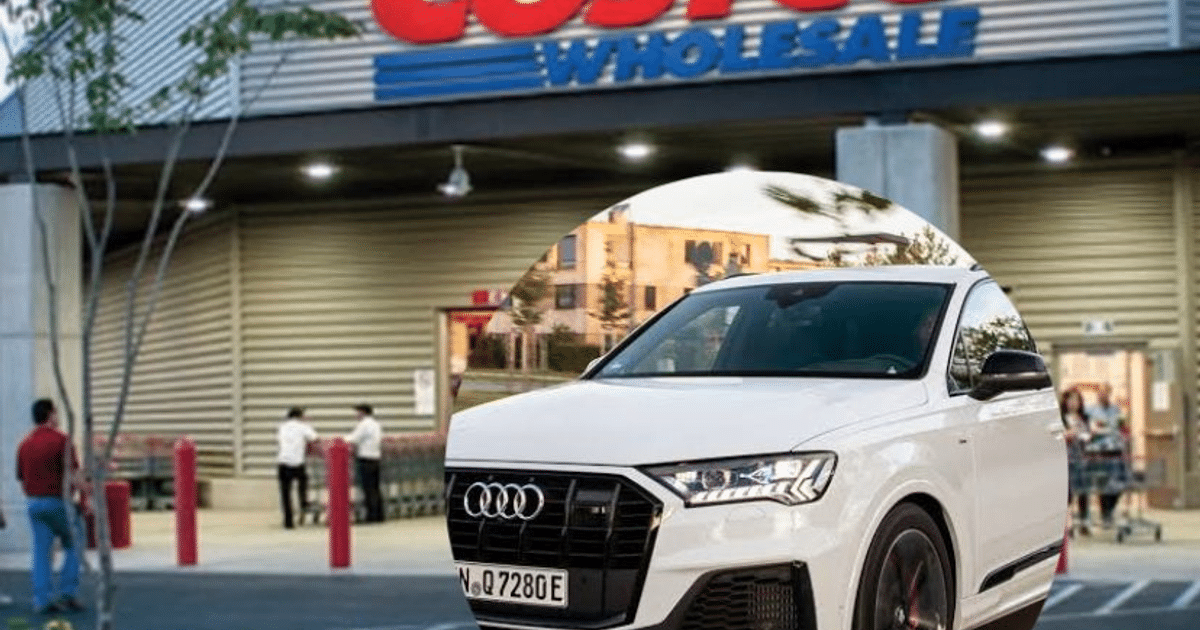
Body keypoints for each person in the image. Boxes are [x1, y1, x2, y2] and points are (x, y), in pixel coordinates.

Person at [16, 399, 84, 614]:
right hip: (58, 501)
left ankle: (42, 599)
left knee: (41, 552)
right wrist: (86, 493)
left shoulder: (24, 444)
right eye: (56, 413)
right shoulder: (61, 441)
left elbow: (20, 476)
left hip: (34, 503)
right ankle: (68, 592)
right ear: (51, 415)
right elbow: (73, 475)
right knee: (75, 541)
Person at [1085, 383, 1126, 527]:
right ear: (1097, 394)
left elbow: (1120, 427)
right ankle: (1105, 514)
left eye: (1106, 393)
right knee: (1104, 484)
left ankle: (1109, 510)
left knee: (1121, 483)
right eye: (1101, 392)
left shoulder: (1116, 410)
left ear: (1109, 393)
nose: (1103, 395)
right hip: (1098, 452)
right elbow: (1087, 430)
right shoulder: (1090, 410)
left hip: (1115, 450)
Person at [276, 407, 318, 529]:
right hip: (297, 462)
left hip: (283, 462)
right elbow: (315, 438)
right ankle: (303, 503)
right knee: (303, 483)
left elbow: (280, 440)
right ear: (299, 416)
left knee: (285, 493)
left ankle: (288, 520)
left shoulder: (282, 427)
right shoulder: (303, 426)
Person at [1060, 387, 1092, 532]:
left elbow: (1087, 435)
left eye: (1076, 400)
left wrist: (1090, 435)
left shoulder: (1083, 418)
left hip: (1082, 459)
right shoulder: (1061, 418)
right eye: (1070, 400)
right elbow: (1057, 436)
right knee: (1068, 493)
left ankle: (1084, 522)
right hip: (1067, 460)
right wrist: (1067, 434)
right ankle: (1068, 523)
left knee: (1084, 491)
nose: (1073, 403)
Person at [347, 404, 384, 523]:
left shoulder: (364, 424)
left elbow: (354, 438)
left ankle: (371, 516)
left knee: (368, 489)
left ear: (363, 412)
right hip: (375, 458)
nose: (356, 415)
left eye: (357, 412)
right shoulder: (376, 424)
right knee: (375, 487)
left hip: (366, 459)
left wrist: (340, 439)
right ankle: (379, 514)